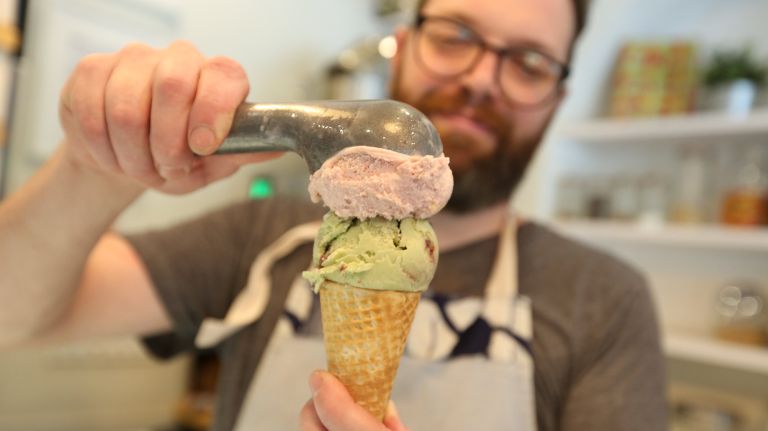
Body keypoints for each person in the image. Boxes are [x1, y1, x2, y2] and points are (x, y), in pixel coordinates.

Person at [0, 0, 667, 429]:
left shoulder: (604, 301)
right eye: (456, 34)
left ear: (556, 97)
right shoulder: (263, 238)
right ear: (402, 47)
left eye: (529, 62)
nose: (482, 79)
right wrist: (89, 171)